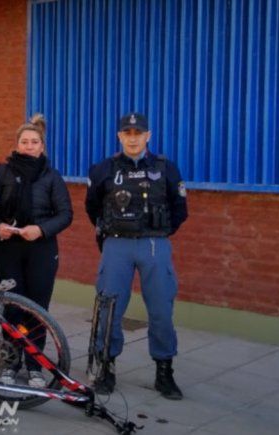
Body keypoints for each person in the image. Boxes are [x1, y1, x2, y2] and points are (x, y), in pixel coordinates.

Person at [85, 112, 188, 400]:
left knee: (161, 309)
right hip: (117, 245)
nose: (133, 138)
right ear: (119, 136)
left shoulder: (166, 168)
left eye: (138, 133)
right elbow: (92, 207)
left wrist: (157, 230)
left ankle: (164, 370)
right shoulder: (103, 169)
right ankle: (106, 366)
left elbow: (180, 210)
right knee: (109, 307)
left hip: (154, 244)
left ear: (148, 136)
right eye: (127, 133)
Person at [0, 114, 73, 387]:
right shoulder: (2, 172)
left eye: (34, 142)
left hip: (41, 250)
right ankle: (10, 364)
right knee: (11, 306)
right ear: (17, 145)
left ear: (42, 146)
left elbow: (66, 214)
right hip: (8, 250)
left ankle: (35, 365)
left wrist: (41, 229)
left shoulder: (52, 176)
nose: (29, 146)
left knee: (36, 309)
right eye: (24, 142)